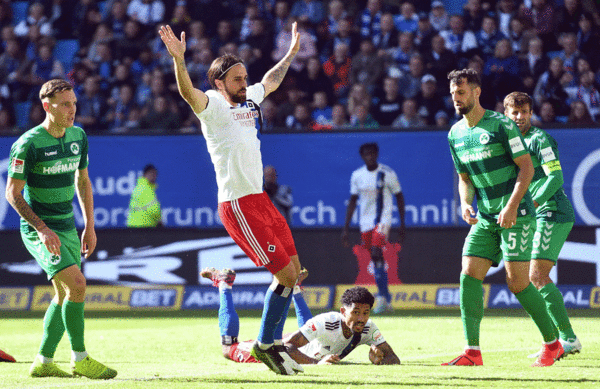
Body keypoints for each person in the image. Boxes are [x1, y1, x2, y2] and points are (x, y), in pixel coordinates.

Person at [159, 23, 304, 375]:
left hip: (261, 200)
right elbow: (188, 94)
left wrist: (290, 54)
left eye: (244, 77)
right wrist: (179, 62)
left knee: (294, 273)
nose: (245, 83)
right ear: (220, 82)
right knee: (285, 275)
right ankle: (267, 343)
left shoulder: (249, 99)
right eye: (237, 79)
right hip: (238, 204)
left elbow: (270, 80)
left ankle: (270, 342)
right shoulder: (213, 108)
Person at [444, 69, 564, 367]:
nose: (456, 99)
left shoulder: (500, 125)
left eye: (461, 92)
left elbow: (526, 168)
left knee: (518, 284)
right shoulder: (455, 133)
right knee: (468, 273)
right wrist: (464, 203)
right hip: (485, 216)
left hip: (517, 214)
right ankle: (472, 352)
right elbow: (464, 178)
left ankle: (553, 344)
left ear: (476, 92)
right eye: (453, 94)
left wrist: (511, 206)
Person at [5, 79, 117, 379]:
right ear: (47, 106)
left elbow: (83, 181)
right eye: (65, 104)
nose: (72, 110)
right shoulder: (28, 143)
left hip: (67, 226)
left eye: (74, 103)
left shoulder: (78, 136)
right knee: (78, 285)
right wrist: (41, 228)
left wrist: (89, 226)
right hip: (39, 229)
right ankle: (80, 358)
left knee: (64, 293)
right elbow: (12, 193)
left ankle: (42, 361)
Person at [503, 92, 582, 358]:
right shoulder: (509, 143)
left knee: (536, 276)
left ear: (531, 113)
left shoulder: (539, 139)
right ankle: (560, 338)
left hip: (552, 211)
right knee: (533, 277)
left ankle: (566, 338)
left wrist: (533, 202)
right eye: (514, 112)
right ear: (506, 114)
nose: (520, 117)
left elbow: (556, 177)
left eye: (524, 112)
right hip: (535, 215)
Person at [200, 268, 400, 366]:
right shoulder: (328, 321)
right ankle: (224, 284)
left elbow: (394, 358)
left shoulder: (368, 327)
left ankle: (295, 287)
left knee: (309, 327)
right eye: (355, 312)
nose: (361, 318)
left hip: (303, 342)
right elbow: (285, 347)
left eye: (365, 313)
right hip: (280, 351)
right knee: (228, 348)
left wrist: (380, 361)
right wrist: (316, 364)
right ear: (342, 312)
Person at [341, 143, 406, 314]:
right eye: (366, 154)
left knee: (377, 252)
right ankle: (386, 298)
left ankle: (381, 299)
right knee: (376, 259)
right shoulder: (357, 175)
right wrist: (346, 228)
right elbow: (353, 201)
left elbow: (399, 196)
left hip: (382, 220)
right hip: (365, 222)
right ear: (362, 156)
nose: (370, 156)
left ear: (377, 154)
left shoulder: (387, 173)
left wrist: (402, 224)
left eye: (372, 153)